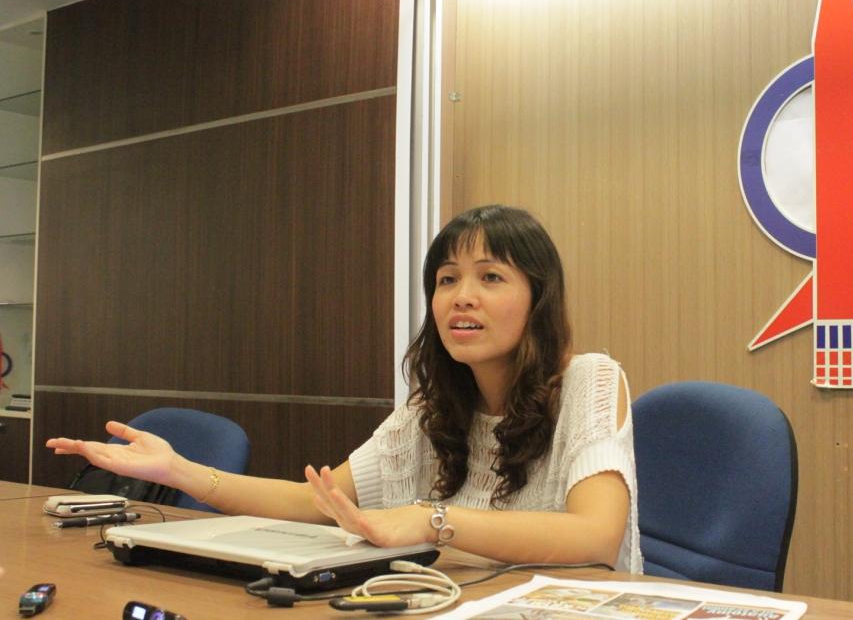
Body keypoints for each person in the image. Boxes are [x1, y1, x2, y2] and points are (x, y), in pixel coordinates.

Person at [47, 205, 641, 572]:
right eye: (446, 279)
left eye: (491, 277)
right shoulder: (431, 410)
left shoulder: (588, 381)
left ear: (538, 298)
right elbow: (318, 503)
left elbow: (596, 536)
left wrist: (431, 520)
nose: (462, 297)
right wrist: (180, 472)